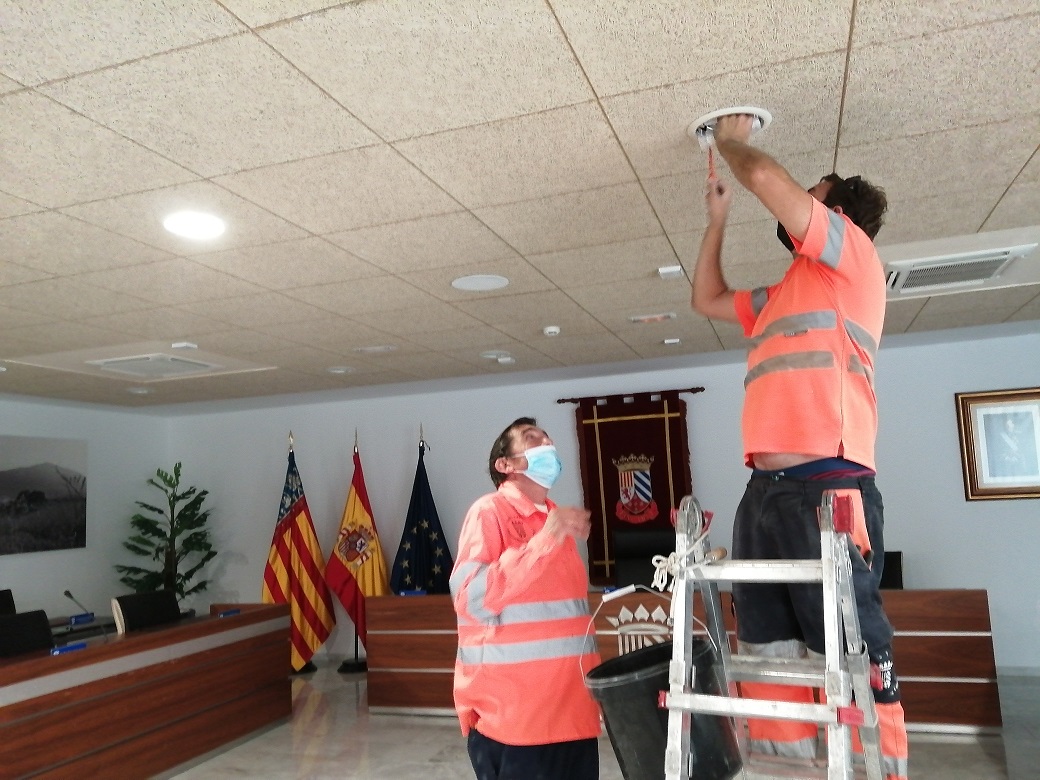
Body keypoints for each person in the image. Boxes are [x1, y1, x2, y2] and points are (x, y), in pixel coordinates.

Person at [690, 114, 908, 780]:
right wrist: (718, 220)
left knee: (846, 644)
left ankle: (877, 768)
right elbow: (706, 298)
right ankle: (785, 767)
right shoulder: (784, 292)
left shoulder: (852, 260)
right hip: (765, 493)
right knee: (768, 644)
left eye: (812, 194)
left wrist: (728, 139)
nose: (799, 201)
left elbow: (762, 173)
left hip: (828, 487)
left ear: (836, 215)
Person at [450, 417, 602, 780]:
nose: (547, 445)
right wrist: (544, 540)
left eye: (548, 439)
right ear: (505, 464)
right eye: (532, 439)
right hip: (515, 724)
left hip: (574, 717)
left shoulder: (556, 522)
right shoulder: (489, 512)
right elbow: (470, 598)